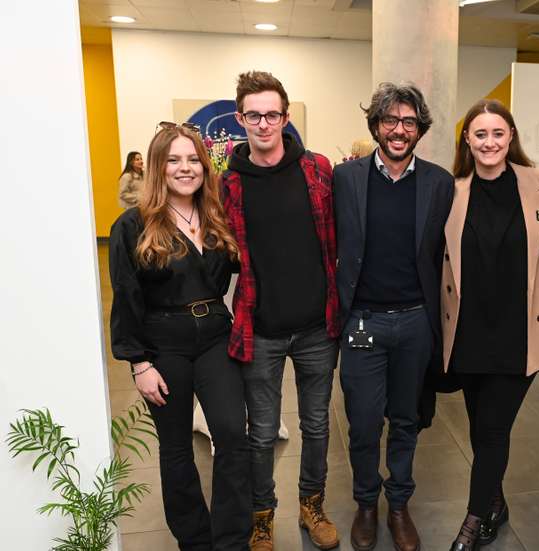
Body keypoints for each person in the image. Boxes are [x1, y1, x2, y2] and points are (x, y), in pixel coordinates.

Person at [109, 124, 251, 550]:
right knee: (175, 450)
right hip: (162, 344)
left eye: (193, 160)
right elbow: (127, 296)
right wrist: (139, 363)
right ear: (158, 167)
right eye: (174, 160)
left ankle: (231, 540)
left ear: (204, 168)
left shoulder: (216, 217)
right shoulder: (133, 225)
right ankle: (195, 540)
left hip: (214, 338)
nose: (185, 168)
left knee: (231, 434)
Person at [222, 71, 340, 551]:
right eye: (254, 115)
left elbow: (339, 237)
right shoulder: (226, 184)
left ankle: (312, 506)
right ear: (240, 119)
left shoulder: (317, 170)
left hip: (317, 327)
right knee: (263, 433)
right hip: (260, 329)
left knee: (316, 426)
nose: (264, 123)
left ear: (286, 117)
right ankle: (262, 516)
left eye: (273, 114)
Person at [334, 82, 454, 551]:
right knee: (363, 423)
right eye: (390, 120)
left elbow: (451, 253)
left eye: (408, 122)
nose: (399, 130)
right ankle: (366, 503)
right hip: (361, 322)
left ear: (419, 130)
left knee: (407, 420)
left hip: (415, 323)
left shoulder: (439, 183)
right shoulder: (347, 179)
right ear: (376, 126)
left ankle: (399, 505)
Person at [440, 99, 539, 551]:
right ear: (467, 141)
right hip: (469, 332)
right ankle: (495, 502)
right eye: (480, 134)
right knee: (480, 427)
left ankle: (472, 523)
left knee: (493, 429)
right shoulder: (452, 191)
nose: (489, 142)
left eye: (498, 133)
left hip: (520, 333)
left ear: (511, 137)